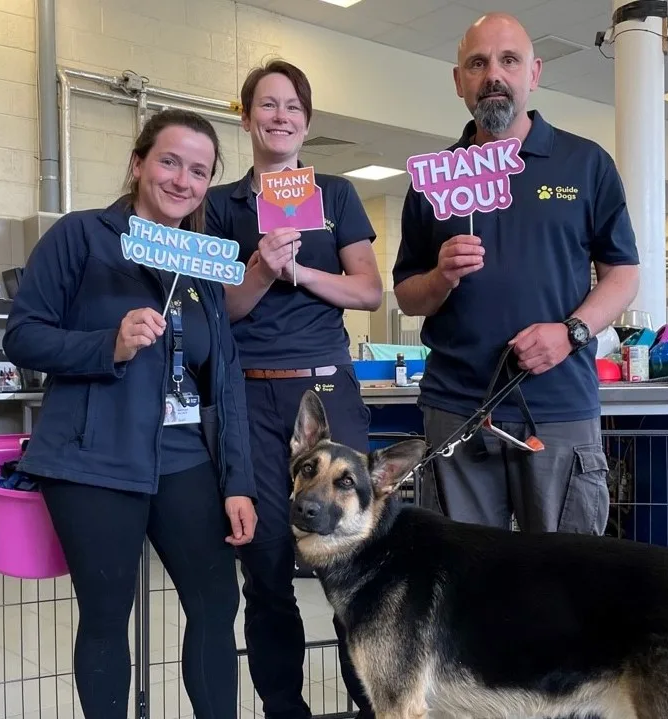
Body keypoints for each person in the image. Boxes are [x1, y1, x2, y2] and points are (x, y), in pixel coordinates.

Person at [3, 108, 258, 719]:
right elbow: (23, 336)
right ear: (138, 162)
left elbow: (223, 379)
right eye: (169, 161)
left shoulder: (202, 262)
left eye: (199, 171)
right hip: (95, 461)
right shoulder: (81, 237)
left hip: (187, 459)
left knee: (217, 605)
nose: (182, 180)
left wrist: (239, 482)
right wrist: (106, 345)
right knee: (106, 615)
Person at [392, 12, 641, 535]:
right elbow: (408, 296)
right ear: (459, 81)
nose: (493, 75)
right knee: (462, 589)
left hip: (557, 405)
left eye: (509, 61)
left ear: (535, 73)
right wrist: (439, 277)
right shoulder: (434, 182)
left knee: (566, 588)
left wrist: (570, 334)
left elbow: (623, 274)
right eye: (477, 63)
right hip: (457, 406)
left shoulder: (585, 164)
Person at [206, 60, 383, 719]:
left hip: (327, 394)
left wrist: (300, 269)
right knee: (266, 569)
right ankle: (283, 707)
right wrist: (258, 269)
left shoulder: (334, 195)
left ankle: (371, 703)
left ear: (306, 121)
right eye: (266, 104)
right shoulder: (220, 205)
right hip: (249, 397)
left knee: (347, 563)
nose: (279, 116)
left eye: (292, 107)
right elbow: (215, 313)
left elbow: (367, 291)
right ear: (247, 116)